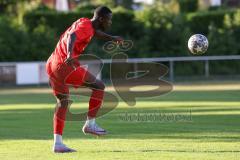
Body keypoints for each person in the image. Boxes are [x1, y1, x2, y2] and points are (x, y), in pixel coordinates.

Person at [46, 6, 123, 153]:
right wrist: (69, 54)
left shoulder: (85, 22)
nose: (110, 23)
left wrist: (112, 38)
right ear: (101, 19)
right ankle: (90, 124)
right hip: (65, 65)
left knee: (63, 102)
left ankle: (58, 144)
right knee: (99, 86)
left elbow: (94, 32)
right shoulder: (86, 28)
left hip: (51, 63)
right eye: (109, 20)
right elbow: (72, 36)